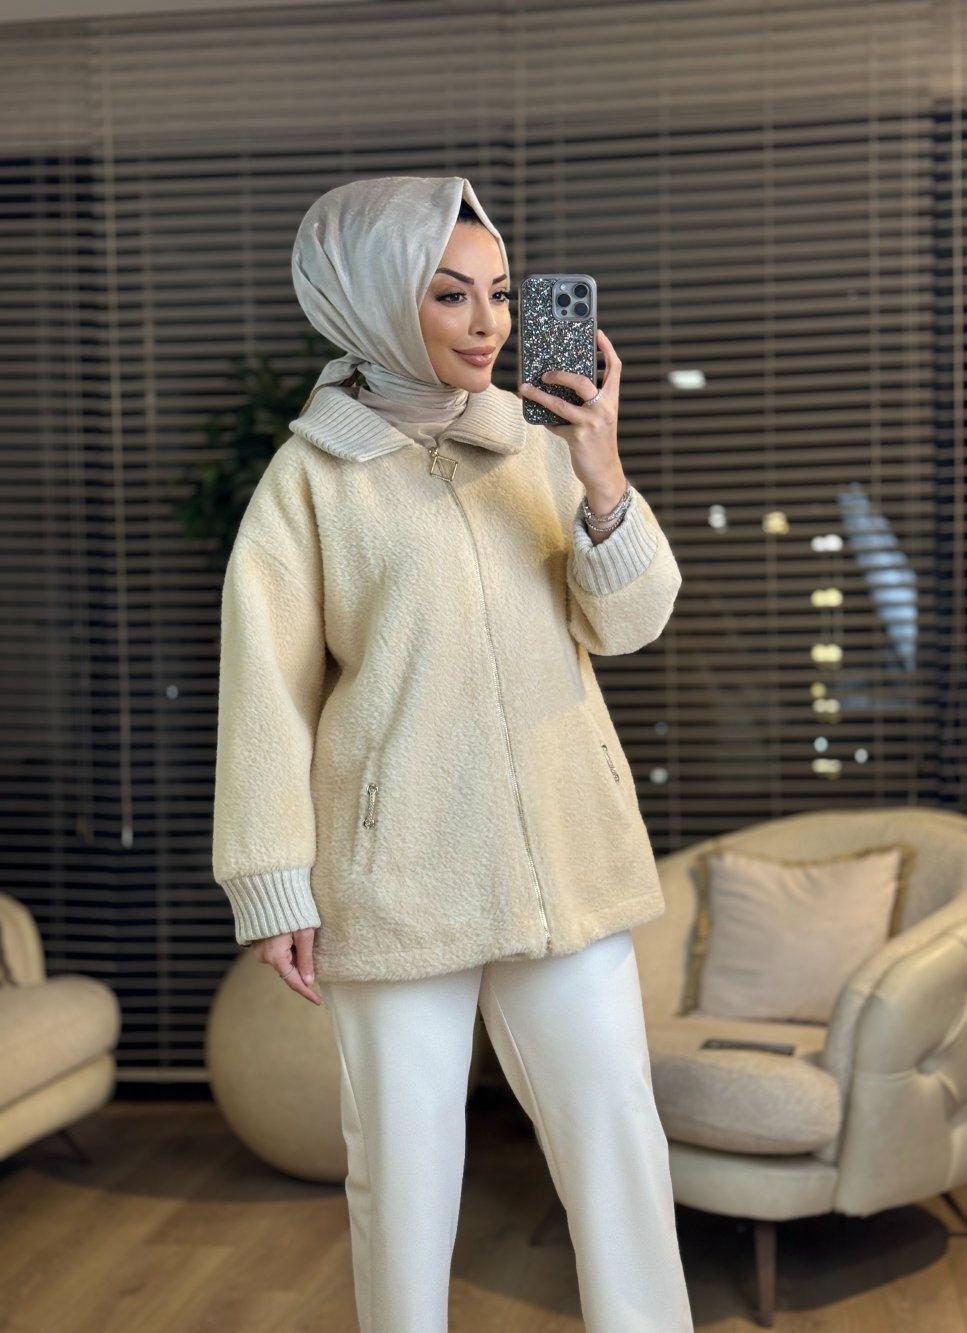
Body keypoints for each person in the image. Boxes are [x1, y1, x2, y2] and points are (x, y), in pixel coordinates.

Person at [211, 175, 694, 1332]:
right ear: (377, 300)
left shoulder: (538, 448)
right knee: (404, 1175)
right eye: (450, 294)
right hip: (400, 876)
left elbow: (629, 623)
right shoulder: (309, 481)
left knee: (619, 1148)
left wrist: (600, 471)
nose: (488, 324)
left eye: (501, 294)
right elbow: (267, 693)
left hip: (563, 860)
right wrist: (272, 882)